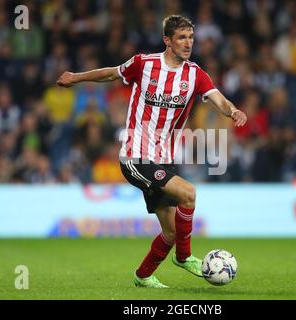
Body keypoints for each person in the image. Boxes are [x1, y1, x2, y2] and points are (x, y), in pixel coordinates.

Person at [57, 15, 247, 288]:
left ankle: (143, 276)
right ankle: (184, 257)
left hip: (163, 160)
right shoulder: (143, 64)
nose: (188, 43)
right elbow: (111, 73)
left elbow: (218, 99)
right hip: (136, 156)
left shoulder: (195, 75)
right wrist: (75, 77)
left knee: (170, 232)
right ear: (167, 41)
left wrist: (233, 111)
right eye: (182, 37)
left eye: (191, 38)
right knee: (189, 193)